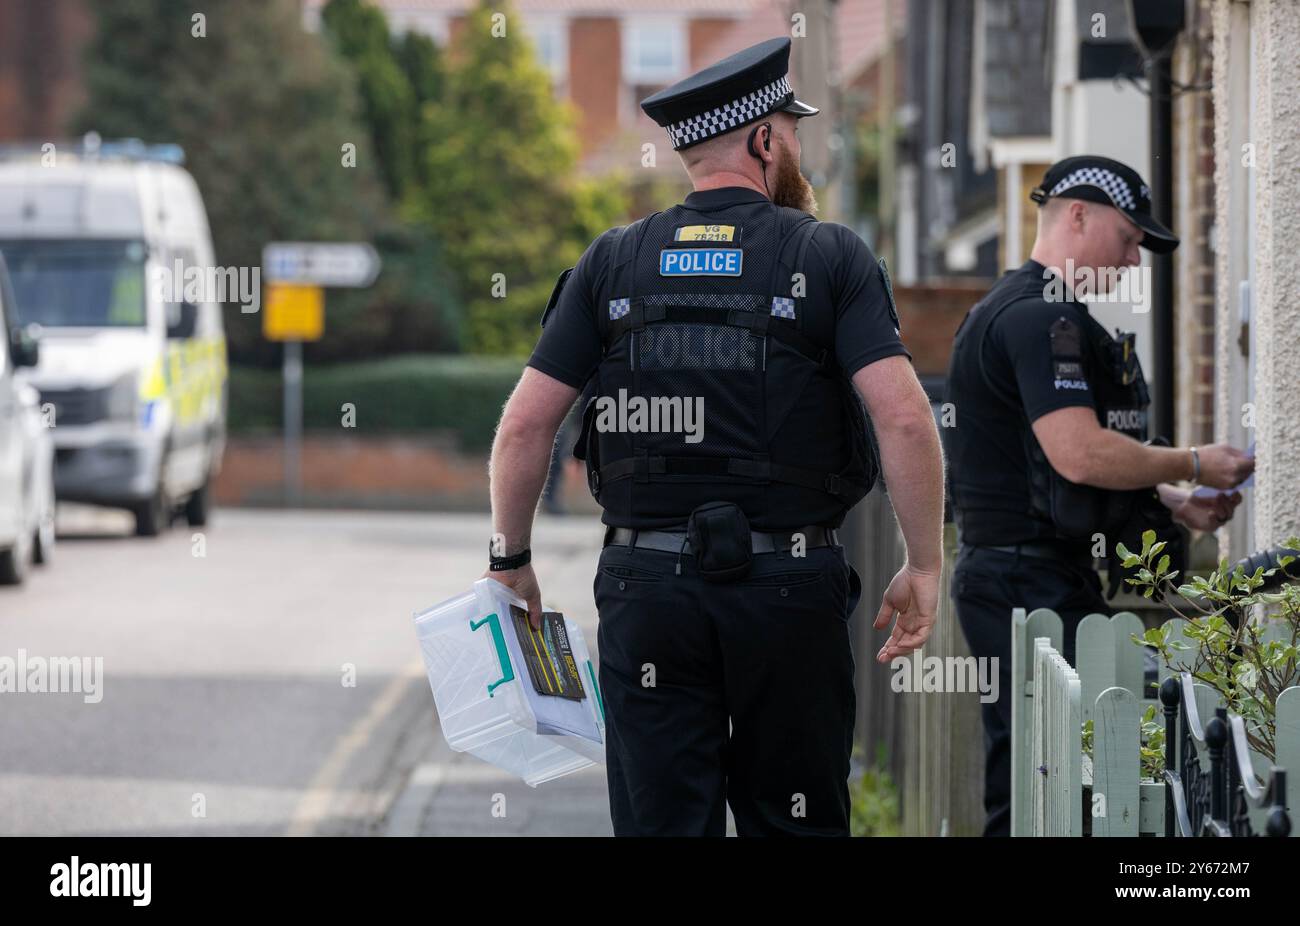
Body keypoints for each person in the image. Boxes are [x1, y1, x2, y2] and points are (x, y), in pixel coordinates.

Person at [483, 36, 944, 836]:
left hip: (645, 591)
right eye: (790, 131)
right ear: (765, 140)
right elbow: (903, 415)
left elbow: (525, 423)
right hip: (788, 590)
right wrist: (925, 563)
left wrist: (510, 561)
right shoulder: (828, 255)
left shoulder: (613, 262)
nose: (798, 147)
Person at [943, 155, 1255, 837]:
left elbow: (1038, 463)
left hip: (1026, 573)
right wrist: (1197, 460)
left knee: (1046, 776)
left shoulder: (1023, 309)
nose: (1133, 261)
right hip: (1023, 578)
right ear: (1078, 215)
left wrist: (1172, 499)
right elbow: (1077, 454)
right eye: (1128, 238)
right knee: (1048, 780)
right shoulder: (1036, 319)